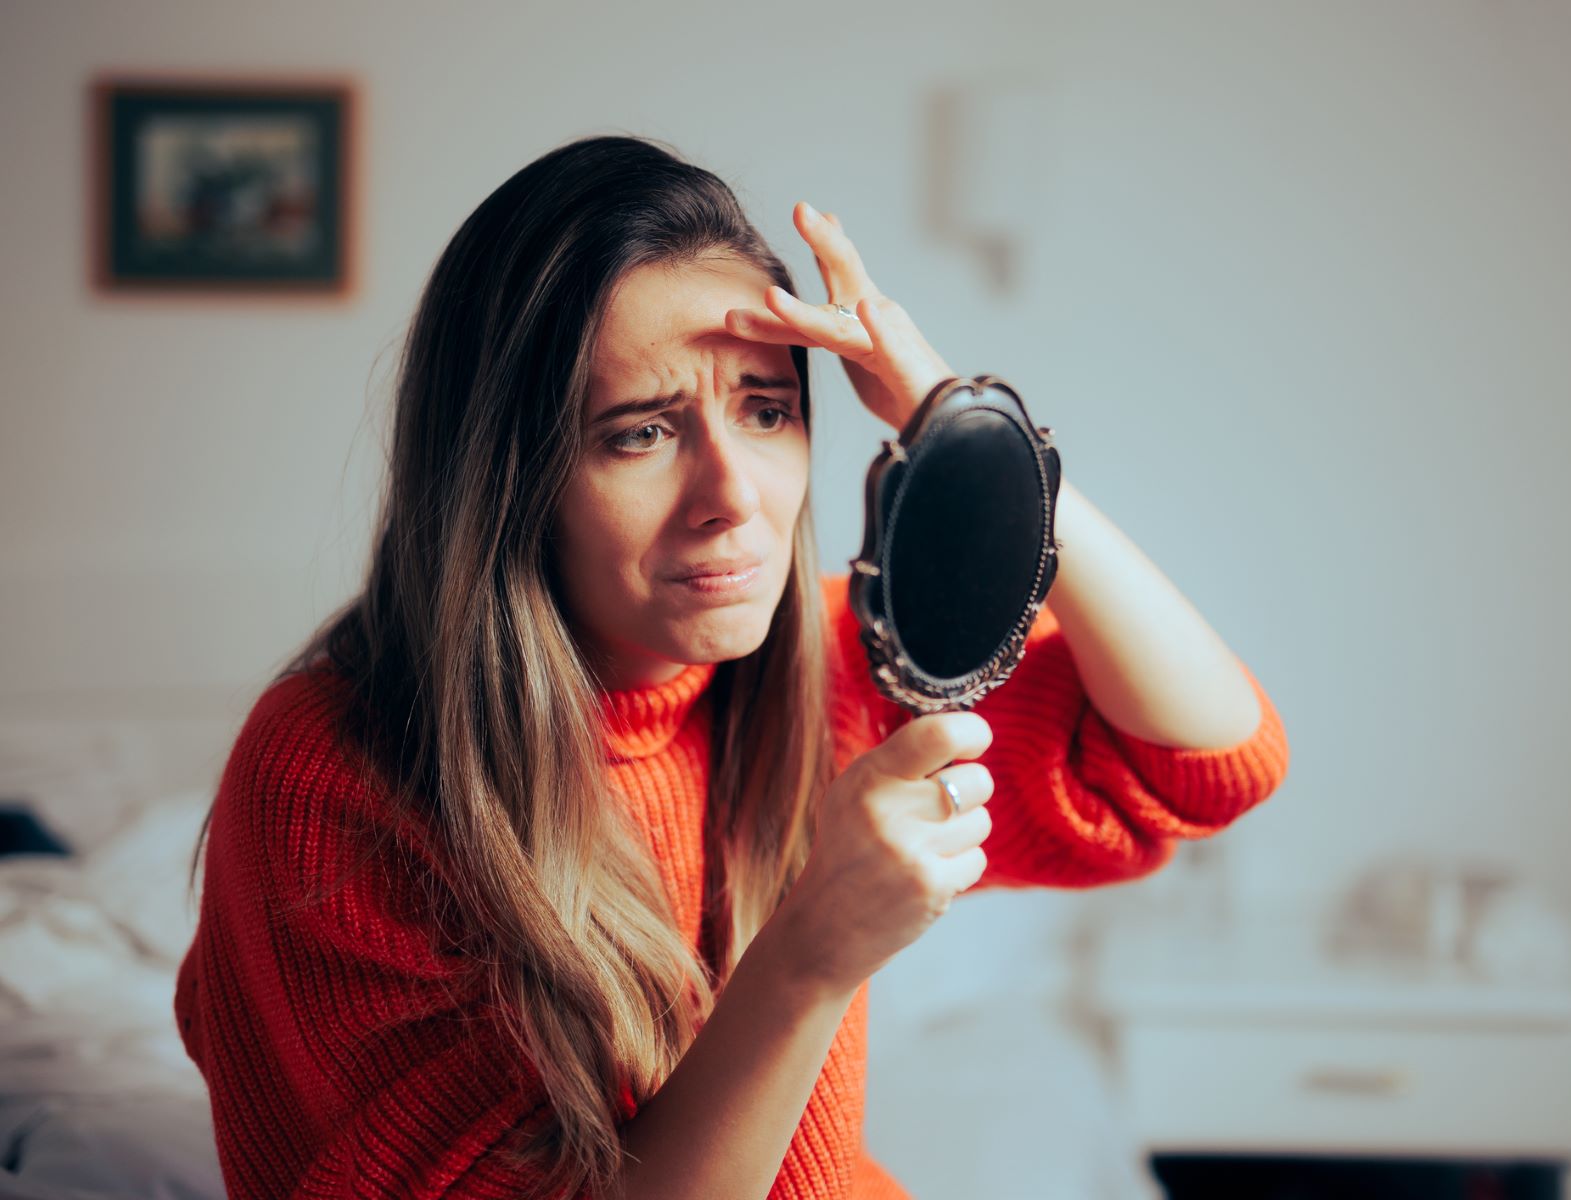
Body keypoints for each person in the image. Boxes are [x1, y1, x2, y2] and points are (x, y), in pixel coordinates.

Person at [173, 134, 1289, 1200]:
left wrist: (966, 425)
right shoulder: (335, 777)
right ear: (508, 477)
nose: (734, 500)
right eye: (640, 432)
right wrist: (811, 954)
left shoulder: (837, 666)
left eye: (767, 412)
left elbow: (1210, 760)